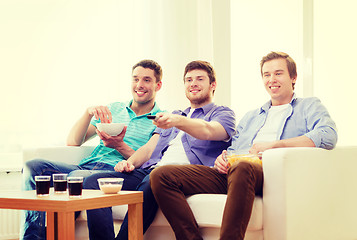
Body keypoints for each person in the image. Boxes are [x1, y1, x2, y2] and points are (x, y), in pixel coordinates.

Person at [150, 51, 338, 240]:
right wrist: (222, 158)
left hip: (267, 173)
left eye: (278, 73)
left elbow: (327, 134)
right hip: (235, 172)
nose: (272, 79)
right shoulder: (252, 116)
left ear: (293, 77)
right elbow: (233, 149)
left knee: (243, 166)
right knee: (161, 175)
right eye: (267, 74)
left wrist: (275, 146)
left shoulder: (308, 106)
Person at [83, 60, 237, 240]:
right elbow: (149, 150)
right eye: (188, 80)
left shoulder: (223, 113)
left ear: (213, 85)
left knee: (155, 178)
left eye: (199, 79)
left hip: (185, 175)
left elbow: (209, 130)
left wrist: (177, 121)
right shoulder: (174, 115)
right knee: (94, 182)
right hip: (151, 172)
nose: (193, 83)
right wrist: (129, 162)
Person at [21, 59, 164, 240]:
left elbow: (148, 159)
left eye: (146, 80)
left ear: (158, 85)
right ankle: (33, 238)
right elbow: (73, 141)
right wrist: (88, 113)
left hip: (121, 172)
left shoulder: (161, 119)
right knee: (35, 167)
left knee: (79, 179)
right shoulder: (114, 109)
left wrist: (119, 146)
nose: (139, 85)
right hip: (86, 167)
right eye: (135, 79)